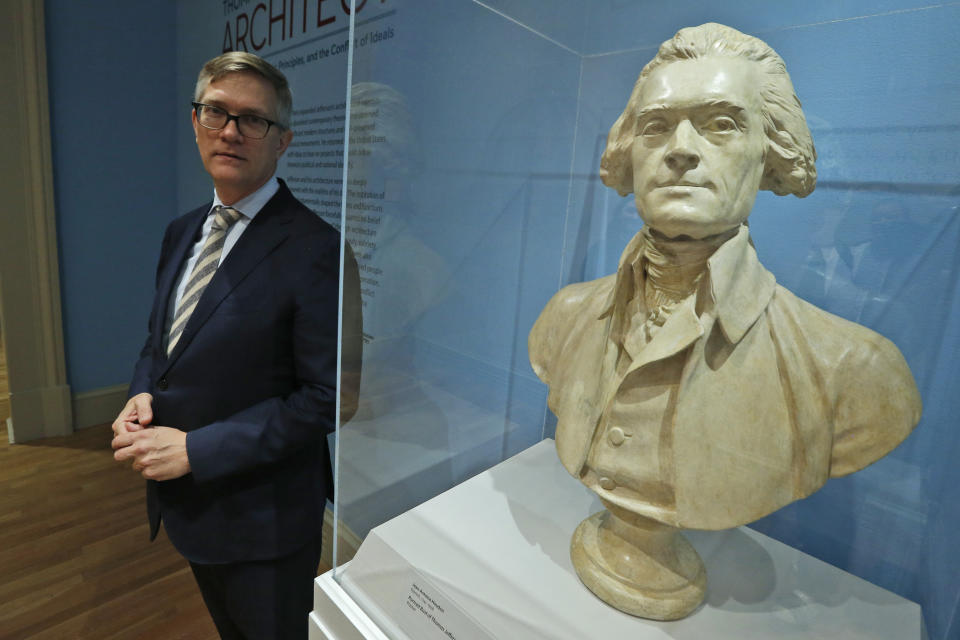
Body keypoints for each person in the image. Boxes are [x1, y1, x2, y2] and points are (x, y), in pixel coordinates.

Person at [529, 23, 921, 531]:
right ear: (629, 151)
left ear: (770, 153)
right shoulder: (565, 317)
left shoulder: (855, 373)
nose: (681, 149)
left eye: (720, 124)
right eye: (655, 126)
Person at [111, 51, 361, 638]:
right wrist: (139, 394)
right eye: (216, 112)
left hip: (263, 520)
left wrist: (197, 449)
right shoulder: (183, 230)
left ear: (283, 142)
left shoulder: (318, 250)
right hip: (190, 506)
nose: (230, 131)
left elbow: (330, 398)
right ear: (195, 120)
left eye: (254, 119)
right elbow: (160, 344)